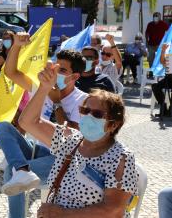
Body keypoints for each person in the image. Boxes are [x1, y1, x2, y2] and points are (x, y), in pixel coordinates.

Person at [19, 68, 138, 217]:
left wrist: (64, 214)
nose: (88, 116)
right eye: (84, 110)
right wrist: (44, 88)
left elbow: (113, 211)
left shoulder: (121, 158)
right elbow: (27, 122)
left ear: (113, 124)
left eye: (97, 114)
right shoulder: (70, 140)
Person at [0, 32, 87, 218]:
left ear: (75, 76)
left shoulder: (83, 101)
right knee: (3, 127)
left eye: (62, 71)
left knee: (9, 172)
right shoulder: (41, 87)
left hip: (65, 160)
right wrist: (16, 47)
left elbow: (73, 140)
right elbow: (11, 72)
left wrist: (57, 103)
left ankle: (18, 177)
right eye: (55, 66)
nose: (55, 73)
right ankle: (22, 170)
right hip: (39, 149)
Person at [152, 43, 172, 117]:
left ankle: (170, 110)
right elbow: (162, 62)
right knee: (155, 87)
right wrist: (163, 50)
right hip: (169, 78)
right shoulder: (170, 57)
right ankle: (163, 107)